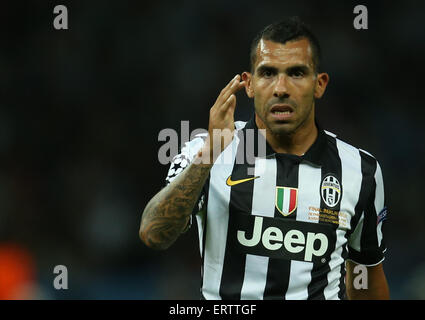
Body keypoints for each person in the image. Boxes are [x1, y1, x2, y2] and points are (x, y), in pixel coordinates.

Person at [139, 17, 389, 300]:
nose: (281, 88)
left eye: (296, 73)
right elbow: (154, 234)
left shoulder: (361, 170)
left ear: (319, 84)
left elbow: (366, 276)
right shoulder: (206, 152)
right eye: (268, 73)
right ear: (248, 84)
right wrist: (209, 154)